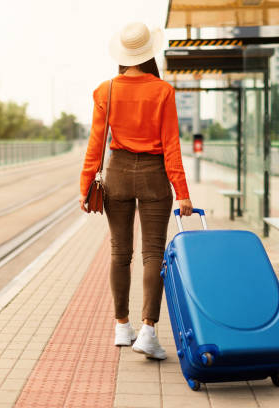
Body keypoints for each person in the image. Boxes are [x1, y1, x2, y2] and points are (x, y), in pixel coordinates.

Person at [79, 22, 192, 360]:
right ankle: (148, 332)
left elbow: (96, 145)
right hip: (155, 175)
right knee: (153, 253)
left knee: (119, 252)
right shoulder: (163, 91)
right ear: (149, 53)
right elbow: (171, 145)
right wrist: (183, 192)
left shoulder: (106, 90)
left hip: (117, 173)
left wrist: (85, 187)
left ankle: (121, 327)